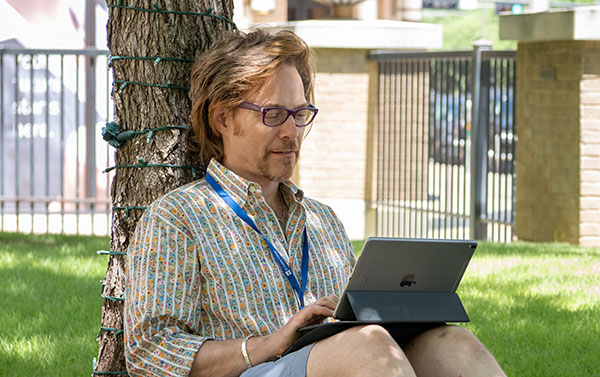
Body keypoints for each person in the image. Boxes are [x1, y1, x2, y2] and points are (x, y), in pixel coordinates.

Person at [124, 29, 507, 377]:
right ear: (222, 118)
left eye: (300, 114)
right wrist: (268, 344)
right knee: (366, 346)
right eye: (273, 115)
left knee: (452, 344)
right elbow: (148, 353)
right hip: (253, 370)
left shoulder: (322, 220)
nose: (291, 133)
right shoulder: (177, 219)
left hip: (337, 361)